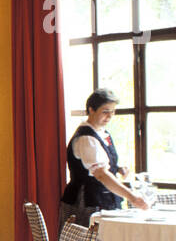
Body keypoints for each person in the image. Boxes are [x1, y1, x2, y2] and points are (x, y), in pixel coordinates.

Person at [60, 88, 150, 231]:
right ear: (91, 110)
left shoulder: (101, 133)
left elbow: (100, 165)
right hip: (88, 202)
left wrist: (117, 168)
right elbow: (100, 174)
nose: (109, 116)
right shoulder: (86, 138)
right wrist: (132, 197)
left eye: (113, 112)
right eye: (105, 111)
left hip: (102, 198)